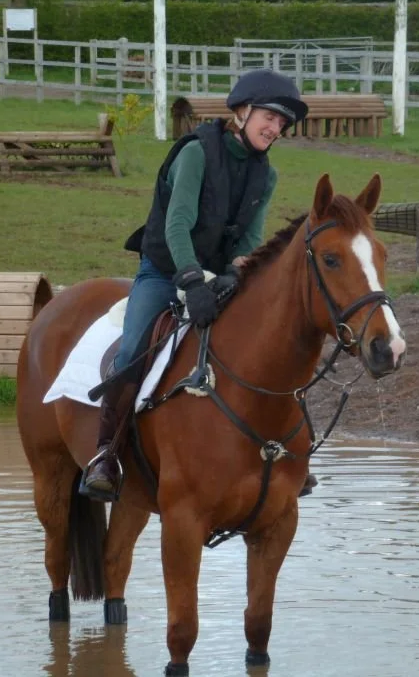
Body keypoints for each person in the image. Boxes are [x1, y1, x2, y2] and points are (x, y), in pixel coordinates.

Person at [82, 69, 310, 502]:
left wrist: (237, 276)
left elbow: (247, 242)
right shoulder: (195, 153)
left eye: (282, 123)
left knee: (268, 343)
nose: (275, 128)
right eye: (269, 117)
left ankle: (281, 451)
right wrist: (190, 280)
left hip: (216, 277)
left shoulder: (267, 176)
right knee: (132, 350)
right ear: (241, 113)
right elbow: (178, 224)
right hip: (165, 270)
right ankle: (105, 455)